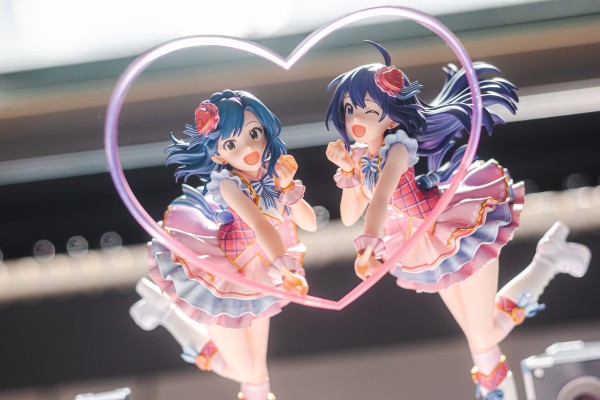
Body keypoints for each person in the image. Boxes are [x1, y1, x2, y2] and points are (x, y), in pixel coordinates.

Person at [324, 41, 591, 399]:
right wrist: (348, 173)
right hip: (424, 239)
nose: (356, 120)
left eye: (368, 110)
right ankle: (548, 260)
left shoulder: (397, 149)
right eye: (349, 109)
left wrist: (370, 244)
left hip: (456, 226)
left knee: (483, 335)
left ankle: (546, 262)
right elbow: (350, 214)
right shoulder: (361, 158)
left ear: (392, 113)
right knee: (477, 336)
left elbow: (383, 197)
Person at [130, 90, 317, 400]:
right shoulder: (229, 184)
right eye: (231, 145)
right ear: (218, 155)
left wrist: (288, 189)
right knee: (246, 371)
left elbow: (308, 223)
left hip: (258, 270)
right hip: (221, 275)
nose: (249, 149)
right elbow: (258, 223)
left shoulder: (274, 174)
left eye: (254, 134)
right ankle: (169, 316)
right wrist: (284, 265)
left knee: (257, 372)